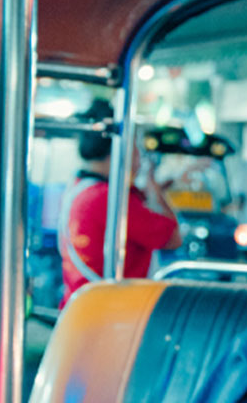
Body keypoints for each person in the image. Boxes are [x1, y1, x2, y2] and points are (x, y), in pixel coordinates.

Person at [59, 101, 182, 307]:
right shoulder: (109, 199)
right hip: (111, 313)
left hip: (83, 308)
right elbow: (173, 238)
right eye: (134, 145)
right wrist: (157, 193)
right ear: (119, 147)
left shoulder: (80, 188)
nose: (138, 155)